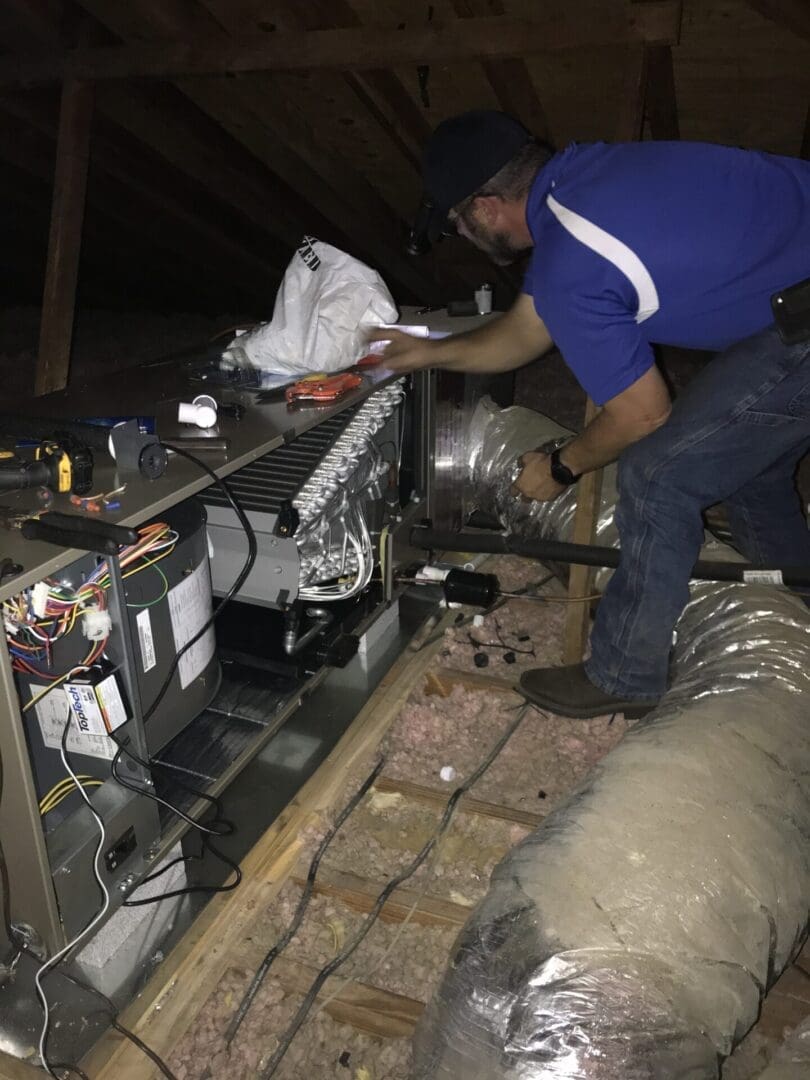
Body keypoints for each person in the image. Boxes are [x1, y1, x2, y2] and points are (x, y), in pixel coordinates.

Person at [369, 109, 810, 719]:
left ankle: (626, 673)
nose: (464, 239)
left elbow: (643, 415)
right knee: (749, 463)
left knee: (658, 474)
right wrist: (429, 354)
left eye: (457, 226)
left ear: (484, 207)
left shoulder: (572, 259)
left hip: (801, 328)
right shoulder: (586, 179)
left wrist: (560, 466)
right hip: (792, 301)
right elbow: (527, 328)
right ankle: (798, 605)